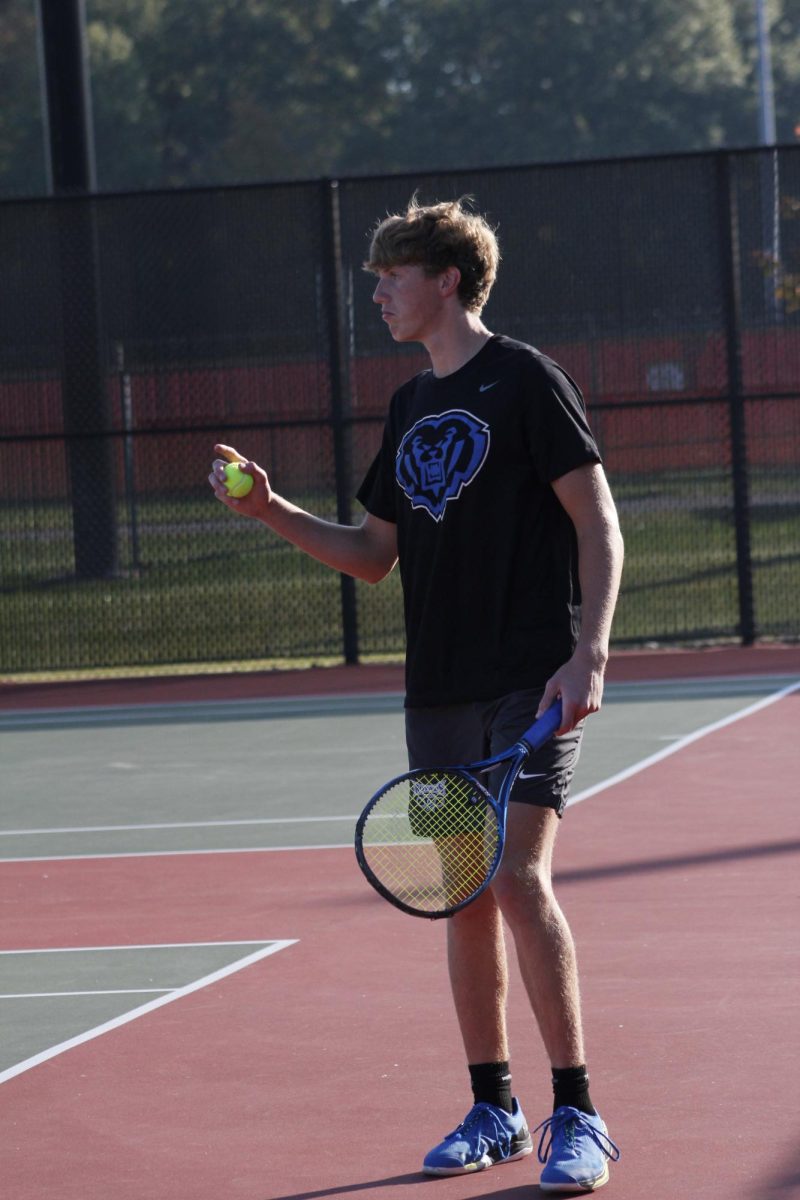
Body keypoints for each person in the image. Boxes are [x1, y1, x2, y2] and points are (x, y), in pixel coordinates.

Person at [208, 196, 624, 1193]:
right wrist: (271, 511)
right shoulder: (405, 408)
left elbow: (598, 523)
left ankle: (579, 1114)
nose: (380, 295)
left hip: (527, 677)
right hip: (435, 691)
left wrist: (590, 657)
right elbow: (371, 555)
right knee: (463, 899)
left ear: (444, 278)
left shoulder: (525, 380)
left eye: (393, 276)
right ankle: (492, 1105)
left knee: (517, 880)